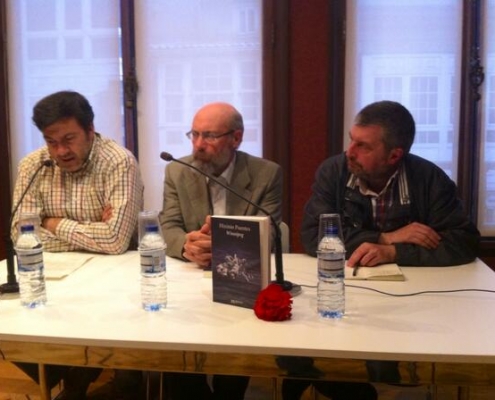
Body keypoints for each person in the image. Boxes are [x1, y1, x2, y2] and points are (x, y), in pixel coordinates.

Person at [291, 100, 480, 400]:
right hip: (342, 295)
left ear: (394, 155)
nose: (350, 151)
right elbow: (313, 234)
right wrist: (386, 237)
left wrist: (394, 253)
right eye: (351, 140)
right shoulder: (334, 171)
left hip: (411, 303)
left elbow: (464, 242)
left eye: (363, 146)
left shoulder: (429, 179)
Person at [11, 90, 144, 400]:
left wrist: (51, 222)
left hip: (115, 280)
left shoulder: (119, 162)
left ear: (90, 129)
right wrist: (92, 229)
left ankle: (92, 377)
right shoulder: (33, 165)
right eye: (51, 141)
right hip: (56, 275)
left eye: (69, 139)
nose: (60, 151)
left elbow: (115, 241)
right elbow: (21, 235)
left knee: (126, 379)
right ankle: (72, 374)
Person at [159, 101, 283, 399]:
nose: (198, 144)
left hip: (240, 279)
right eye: (194, 134)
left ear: (236, 138)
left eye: (210, 136)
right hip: (190, 281)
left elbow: (268, 232)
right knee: (175, 339)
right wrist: (187, 245)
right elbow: (169, 225)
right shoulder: (177, 170)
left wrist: (225, 248)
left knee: (236, 344)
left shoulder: (266, 174)